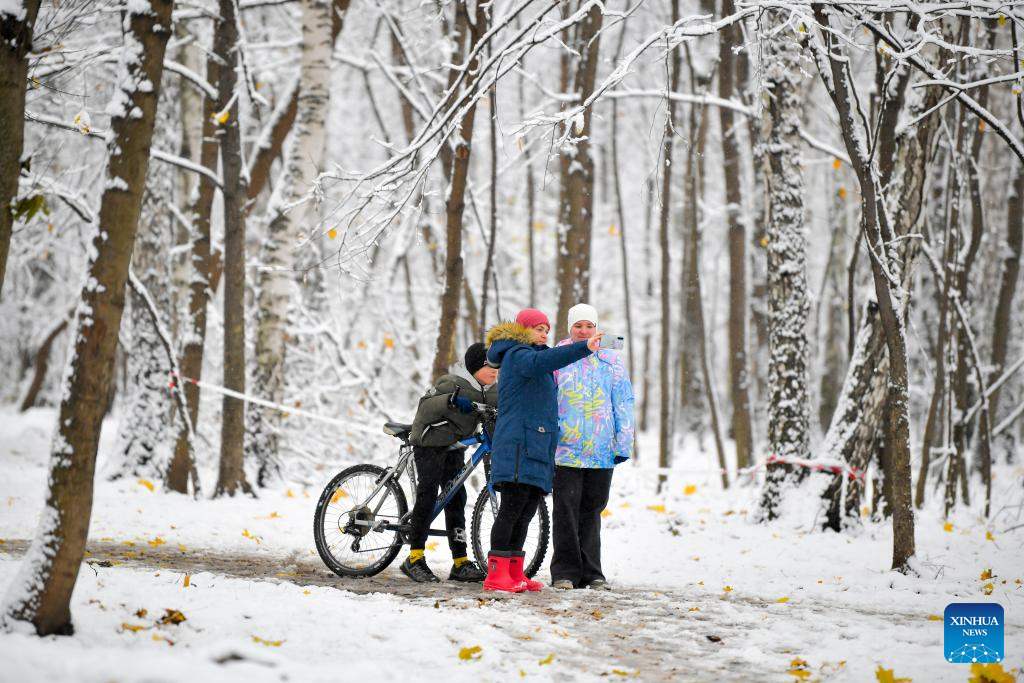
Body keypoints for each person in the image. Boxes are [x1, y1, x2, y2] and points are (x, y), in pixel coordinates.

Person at [482, 308, 603, 593]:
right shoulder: (518, 355)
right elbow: (547, 359)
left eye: (547, 329)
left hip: (536, 445)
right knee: (511, 509)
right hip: (517, 445)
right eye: (538, 328)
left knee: (526, 510)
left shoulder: (532, 359)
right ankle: (497, 574)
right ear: (523, 330)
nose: (544, 334)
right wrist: (583, 347)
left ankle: (514, 572)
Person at [550, 303, 634, 591]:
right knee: (565, 511)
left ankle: (592, 572)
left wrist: (623, 442)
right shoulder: (558, 358)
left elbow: (623, 401)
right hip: (565, 449)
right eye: (578, 326)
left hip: (601, 450)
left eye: (589, 325)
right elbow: (547, 400)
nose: (583, 331)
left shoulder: (611, 360)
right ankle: (564, 572)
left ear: (596, 328)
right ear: (569, 328)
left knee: (592, 511)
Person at [400, 342, 498, 583]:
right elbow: (425, 407)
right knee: (428, 492)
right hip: (430, 442)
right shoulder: (452, 383)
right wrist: (450, 401)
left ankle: (460, 562)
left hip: (454, 447)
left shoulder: (493, 391)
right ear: (475, 368)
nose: (494, 370)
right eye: (488, 365)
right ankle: (414, 557)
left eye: (496, 365)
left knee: (456, 497)